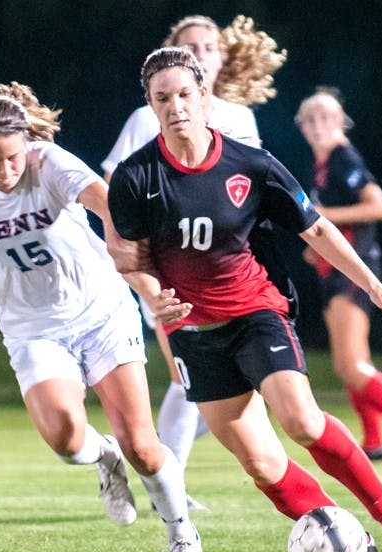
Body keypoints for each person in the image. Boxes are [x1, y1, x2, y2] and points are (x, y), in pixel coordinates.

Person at [107, 48, 382, 552]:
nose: (175, 106)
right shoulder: (135, 178)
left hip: (256, 313)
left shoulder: (250, 164)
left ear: (204, 97)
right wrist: (150, 292)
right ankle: (350, 538)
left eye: (183, 94)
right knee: (262, 464)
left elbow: (318, 229)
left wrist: (376, 288)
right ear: (150, 106)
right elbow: (129, 259)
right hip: (194, 335)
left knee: (302, 421)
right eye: (162, 98)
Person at [0, 82, 201, 552]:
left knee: (145, 450)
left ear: (27, 144)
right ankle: (106, 459)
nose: (4, 172)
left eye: (12, 158)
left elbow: (108, 204)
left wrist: (145, 276)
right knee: (65, 438)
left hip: (101, 312)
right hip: (32, 328)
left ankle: (182, 534)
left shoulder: (50, 163)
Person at [102, 15, 287, 510]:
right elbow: (114, 186)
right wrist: (131, 264)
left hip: (231, 276)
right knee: (191, 385)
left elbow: (252, 195)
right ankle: (170, 482)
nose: (201, 52)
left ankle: (157, 463)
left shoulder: (240, 118)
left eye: (209, 46)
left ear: (220, 59)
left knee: (227, 392)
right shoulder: (153, 115)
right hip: (167, 279)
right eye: (191, 46)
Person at [295, 87, 382, 464]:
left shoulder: (344, 158)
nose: (317, 125)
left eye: (325, 117)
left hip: (354, 273)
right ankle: (374, 441)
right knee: (352, 361)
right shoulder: (322, 166)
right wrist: (317, 246)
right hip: (336, 273)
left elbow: (378, 206)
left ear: (341, 122)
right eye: (309, 119)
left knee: (349, 365)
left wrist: (322, 220)